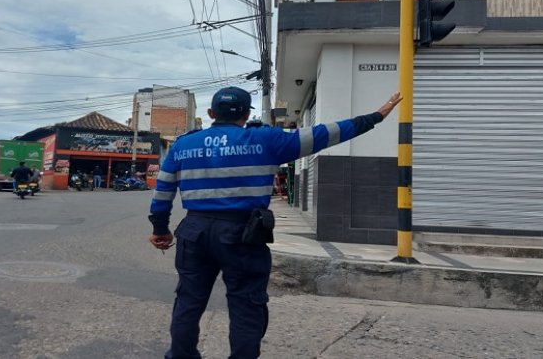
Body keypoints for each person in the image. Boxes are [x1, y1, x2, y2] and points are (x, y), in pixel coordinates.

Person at [147, 86, 402, 358]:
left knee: (188, 301)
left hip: (195, 232)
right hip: (243, 234)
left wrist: (160, 229)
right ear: (246, 114)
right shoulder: (268, 140)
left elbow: (163, 192)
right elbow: (325, 134)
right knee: (246, 305)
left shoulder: (184, 144)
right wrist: (376, 116)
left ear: (211, 113)